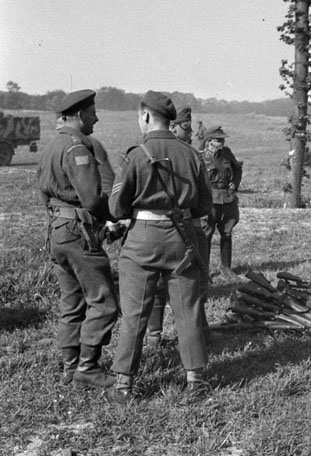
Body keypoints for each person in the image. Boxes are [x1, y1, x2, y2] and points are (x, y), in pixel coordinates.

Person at [109, 91, 212, 401]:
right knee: (188, 310)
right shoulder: (191, 153)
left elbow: (115, 207)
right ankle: (195, 380)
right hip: (183, 238)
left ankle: (124, 385)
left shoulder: (137, 154)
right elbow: (205, 204)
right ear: (170, 121)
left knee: (134, 314)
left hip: (142, 239)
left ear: (145, 117)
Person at [37, 89, 118, 388]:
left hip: (57, 232)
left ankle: (70, 369)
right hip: (78, 233)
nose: (96, 117)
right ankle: (88, 368)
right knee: (105, 301)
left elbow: (44, 192)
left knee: (71, 302)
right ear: (81, 115)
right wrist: (113, 215)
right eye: (93, 112)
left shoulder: (52, 146)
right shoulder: (77, 148)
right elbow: (93, 198)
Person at [146, 107, 213, 347]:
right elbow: (205, 202)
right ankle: (198, 336)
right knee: (192, 284)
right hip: (188, 228)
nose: (191, 132)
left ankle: (154, 336)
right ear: (172, 126)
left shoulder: (145, 150)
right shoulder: (190, 154)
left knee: (156, 284)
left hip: (150, 229)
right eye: (186, 127)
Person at [200, 126, 243, 279]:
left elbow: (237, 169)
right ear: (209, 141)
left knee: (227, 233)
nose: (222, 142)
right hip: (209, 199)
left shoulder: (227, 153)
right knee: (206, 234)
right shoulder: (200, 156)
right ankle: (203, 270)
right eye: (218, 140)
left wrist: (235, 183)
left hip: (227, 198)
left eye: (222, 139)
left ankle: (226, 268)